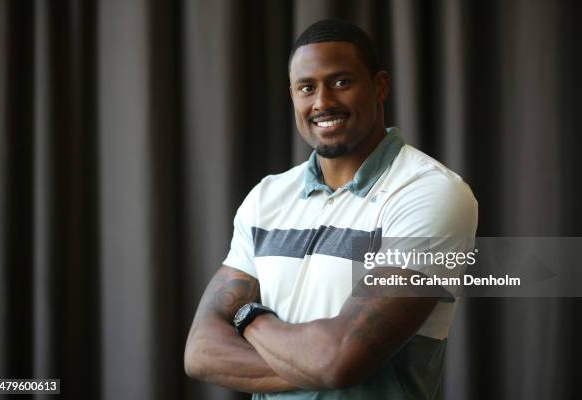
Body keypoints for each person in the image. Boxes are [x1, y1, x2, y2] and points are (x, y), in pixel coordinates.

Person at [184, 19, 478, 399]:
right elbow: (201, 352)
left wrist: (249, 318)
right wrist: (314, 362)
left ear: (380, 86)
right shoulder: (267, 197)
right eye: (306, 88)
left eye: (341, 82)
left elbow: (338, 359)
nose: (322, 102)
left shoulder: (428, 192)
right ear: (293, 97)